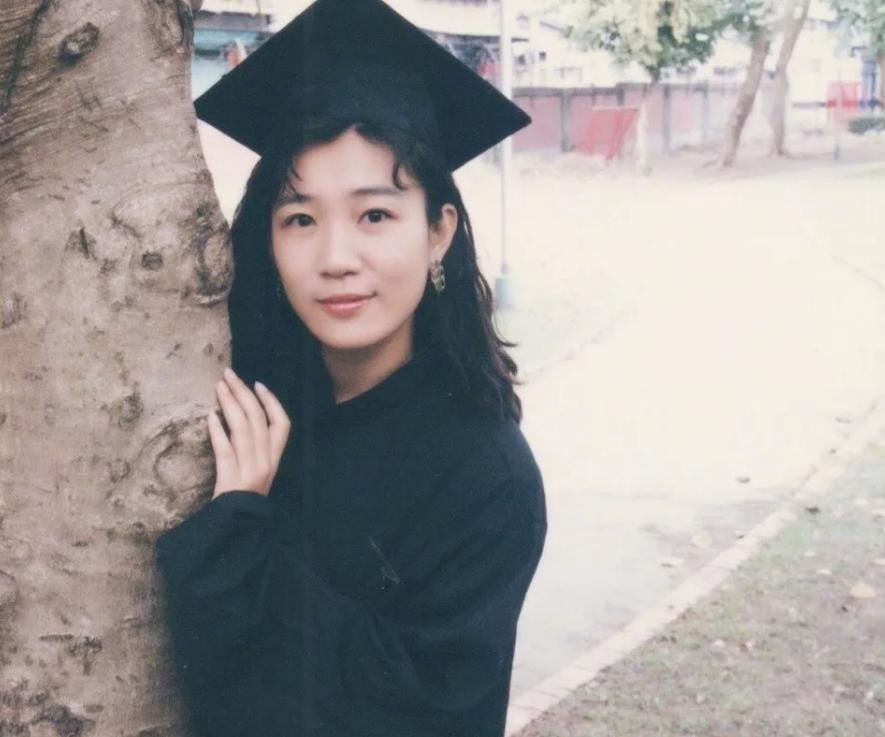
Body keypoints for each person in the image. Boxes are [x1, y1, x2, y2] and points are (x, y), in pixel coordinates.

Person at [153, 0, 547, 735]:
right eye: (300, 218)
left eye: (375, 215)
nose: (336, 258)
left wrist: (241, 532)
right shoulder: (234, 402)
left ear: (438, 231)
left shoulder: (485, 479)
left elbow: (422, 710)